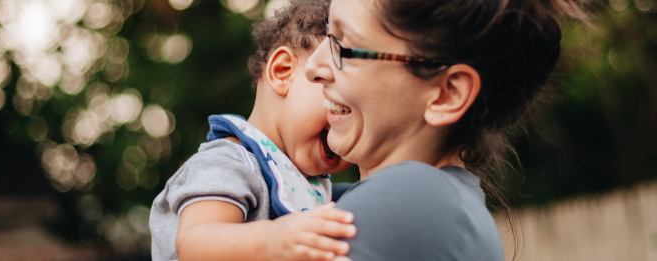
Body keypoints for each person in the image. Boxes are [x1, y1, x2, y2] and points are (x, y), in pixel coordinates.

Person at [305, 0, 588, 260]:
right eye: (328, 33)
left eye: (343, 45)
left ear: (446, 94)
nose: (312, 66)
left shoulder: (410, 203)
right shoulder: (439, 203)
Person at [149, 1, 357, 260]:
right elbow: (194, 244)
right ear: (282, 72)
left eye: (361, 114)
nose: (345, 120)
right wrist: (271, 240)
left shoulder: (310, 184)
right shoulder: (229, 163)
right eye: (339, 99)